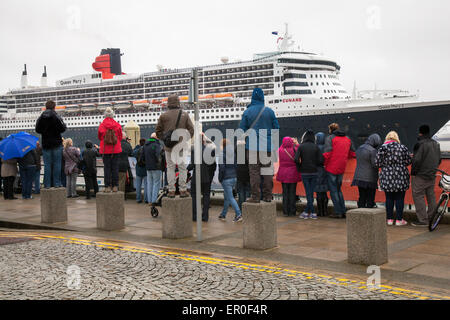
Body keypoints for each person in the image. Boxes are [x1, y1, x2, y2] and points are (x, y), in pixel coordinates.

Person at [239, 88, 280, 203]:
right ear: (263, 97)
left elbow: (241, 130)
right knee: (267, 171)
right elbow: (276, 128)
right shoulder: (270, 111)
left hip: (252, 147)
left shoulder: (247, 112)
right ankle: (268, 196)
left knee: (254, 172)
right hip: (267, 147)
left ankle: (256, 196)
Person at [155, 94, 194, 198]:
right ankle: (182, 190)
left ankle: (171, 190)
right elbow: (191, 130)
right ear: (178, 102)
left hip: (168, 147)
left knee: (170, 168)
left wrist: (164, 139)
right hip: (181, 146)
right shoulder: (184, 115)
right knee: (182, 168)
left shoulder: (163, 116)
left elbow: (158, 131)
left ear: (168, 103)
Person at [375, 131, 412, 226]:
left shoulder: (383, 148)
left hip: (387, 176)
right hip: (401, 175)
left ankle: (389, 220)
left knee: (389, 198)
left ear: (387, 138)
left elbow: (377, 163)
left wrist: (386, 165)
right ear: (396, 138)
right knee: (400, 198)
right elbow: (408, 161)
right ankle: (399, 220)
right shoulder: (403, 147)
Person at [411, 125, 442, 227]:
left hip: (421, 175)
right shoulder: (436, 144)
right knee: (431, 196)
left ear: (420, 133)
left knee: (418, 196)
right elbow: (439, 160)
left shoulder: (420, 144)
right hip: (432, 174)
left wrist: (414, 172)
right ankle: (432, 217)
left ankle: (423, 220)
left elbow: (416, 160)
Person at [323, 123, 356, 218]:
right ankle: (343, 210)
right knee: (339, 190)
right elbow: (353, 153)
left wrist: (323, 162)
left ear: (330, 130)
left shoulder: (330, 138)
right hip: (342, 167)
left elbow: (327, 154)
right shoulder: (347, 138)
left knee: (333, 191)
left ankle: (338, 212)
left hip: (331, 167)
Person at [35, 100, 67, 188]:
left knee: (47, 165)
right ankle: (56, 183)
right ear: (54, 107)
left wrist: (44, 131)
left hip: (45, 144)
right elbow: (62, 128)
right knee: (57, 164)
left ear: (45, 107)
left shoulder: (41, 117)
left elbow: (37, 129)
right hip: (56, 143)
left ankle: (47, 185)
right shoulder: (56, 116)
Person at [295, 130, 324, 219]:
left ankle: (311, 212)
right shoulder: (316, 147)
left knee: (308, 193)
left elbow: (296, 159)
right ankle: (309, 212)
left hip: (304, 172)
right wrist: (315, 165)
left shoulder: (301, 146)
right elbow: (321, 161)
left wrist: (300, 167)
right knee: (310, 192)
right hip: (314, 172)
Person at [187, 133, 216, 222]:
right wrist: (210, 175)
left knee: (194, 197)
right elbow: (213, 166)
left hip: (196, 178)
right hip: (207, 178)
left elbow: (191, 166)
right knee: (206, 197)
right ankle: (205, 217)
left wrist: (186, 170)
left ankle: (195, 216)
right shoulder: (210, 150)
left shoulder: (194, 150)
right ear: (204, 141)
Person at [351, 134, 382, 209]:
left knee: (362, 196)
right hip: (370, 178)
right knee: (370, 198)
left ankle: (360, 213)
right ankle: (368, 216)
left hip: (359, 177)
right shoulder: (373, 150)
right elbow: (375, 164)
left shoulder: (359, 148)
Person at [98, 107, 122, 192]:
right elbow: (120, 137)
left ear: (105, 115)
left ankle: (107, 186)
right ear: (112, 115)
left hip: (105, 150)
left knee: (107, 168)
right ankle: (115, 186)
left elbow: (100, 137)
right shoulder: (117, 125)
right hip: (115, 150)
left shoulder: (102, 125)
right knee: (115, 168)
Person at [218, 139, 242, 222]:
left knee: (230, 198)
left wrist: (220, 179)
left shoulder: (221, 154)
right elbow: (236, 166)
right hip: (234, 178)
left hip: (226, 179)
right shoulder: (233, 154)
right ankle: (223, 214)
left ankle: (238, 214)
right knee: (227, 197)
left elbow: (222, 168)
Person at [277, 137, 302, 216]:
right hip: (293, 173)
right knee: (292, 193)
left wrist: (286, 142)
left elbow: (281, 146)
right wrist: (296, 143)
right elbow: (300, 151)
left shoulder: (281, 150)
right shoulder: (294, 149)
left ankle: (285, 211)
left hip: (283, 173)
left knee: (285, 193)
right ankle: (292, 211)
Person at [143, 133, 165, 206]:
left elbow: (143, 156)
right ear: (156, 137)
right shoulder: (156, 145)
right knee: (156, 183)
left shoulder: (145, 145)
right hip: (156, 167)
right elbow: (158, 155)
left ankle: (149, 201)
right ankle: (154, 201)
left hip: (148, 167)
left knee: (150, 184)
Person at [314, 132, 329, 216]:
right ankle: (325, 211)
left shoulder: (315, 148)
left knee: (318, 193)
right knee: (324, 192)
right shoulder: (327, 148)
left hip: (317, 171)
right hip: (325, 170)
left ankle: (320, 211)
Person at [236, 140, 250, 211]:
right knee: (248, 192)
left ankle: (241, 210)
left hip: (239, 174)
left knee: (241, 193)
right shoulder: (248, 149)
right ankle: (247, 210)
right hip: (248, 174)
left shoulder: (237, 149)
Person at [133, 138, 148, 203]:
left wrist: (137, 146)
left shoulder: (137, 150)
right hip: (145, 169)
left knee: (138, 185)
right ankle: (146, 199)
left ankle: (138, 199)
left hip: (138, 169)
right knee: (146, 185)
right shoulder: (147, 149)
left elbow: (132, 153)